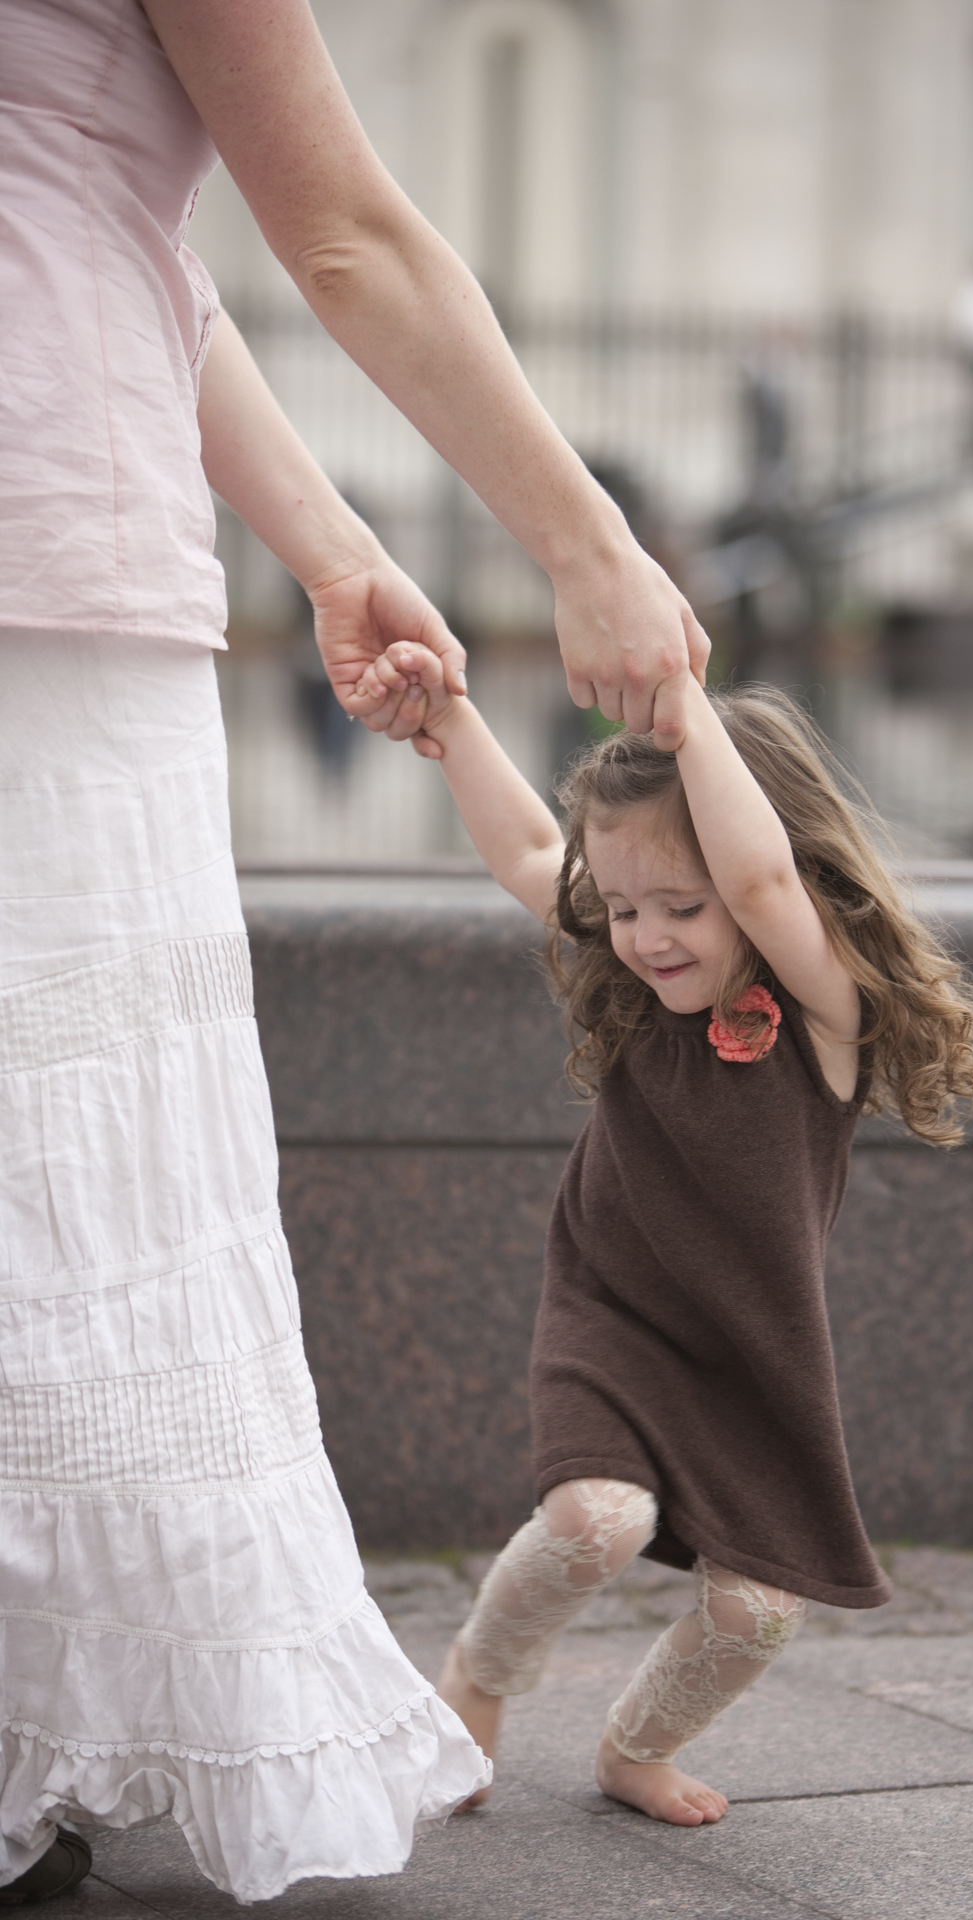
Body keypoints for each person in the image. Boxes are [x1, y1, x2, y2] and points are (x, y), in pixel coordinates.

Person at [0, 0, 705, 1904]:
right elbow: (345, 236)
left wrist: (326, 549)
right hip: (36, 547)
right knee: (56, 1168)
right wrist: (586, 544)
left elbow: (105, 233)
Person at [365, 643, 973, 1825]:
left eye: (678, 907)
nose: (645, 937)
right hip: (612, 1313)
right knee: (596, 1522)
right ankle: (474, 1678)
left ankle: (632, 1750)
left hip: (753, 1354)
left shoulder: (825, 1011)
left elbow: (760, 887)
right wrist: (448, 723)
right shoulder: (637, 982)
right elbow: (525, 856)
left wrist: (683, 713)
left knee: (757, 1610)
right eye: (624, 908)